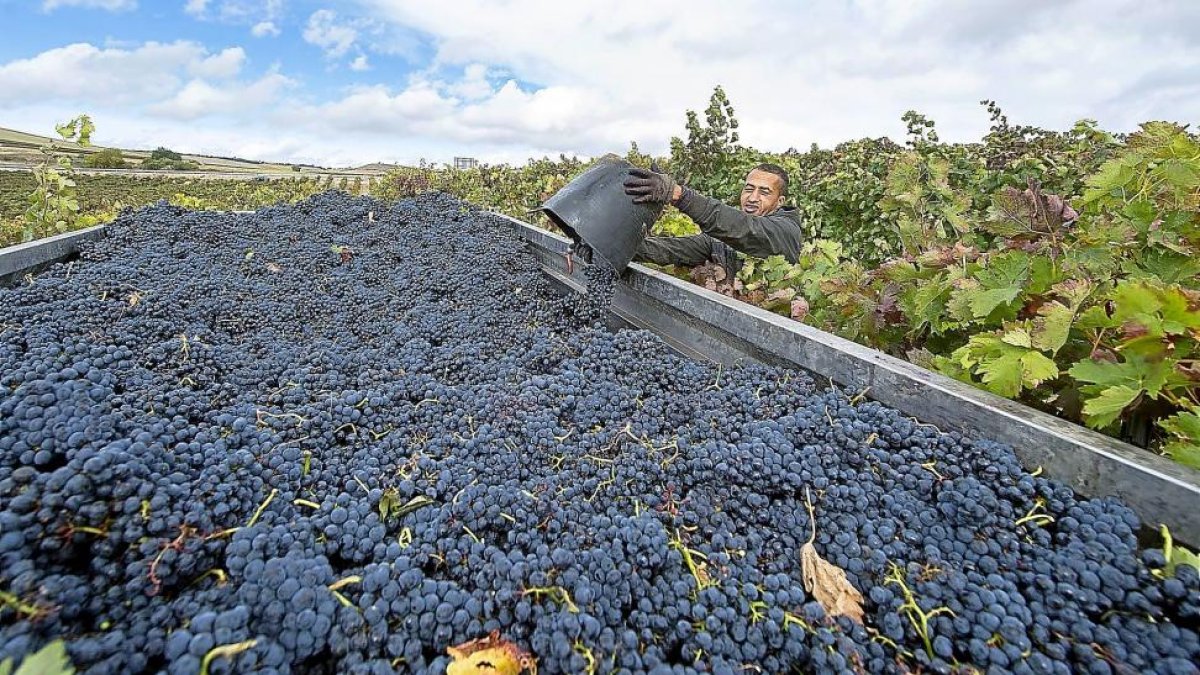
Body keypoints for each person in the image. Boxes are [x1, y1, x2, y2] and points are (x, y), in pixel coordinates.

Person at [622, 163, 804, 274]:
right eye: (749, 189)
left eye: (764, 192)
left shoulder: (785, 231)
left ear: (779, 202)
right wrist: (615, 244)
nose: (753, 197)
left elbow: (747, 229)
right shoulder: (720, 239)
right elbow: (669, 250)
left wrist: (679, 195)